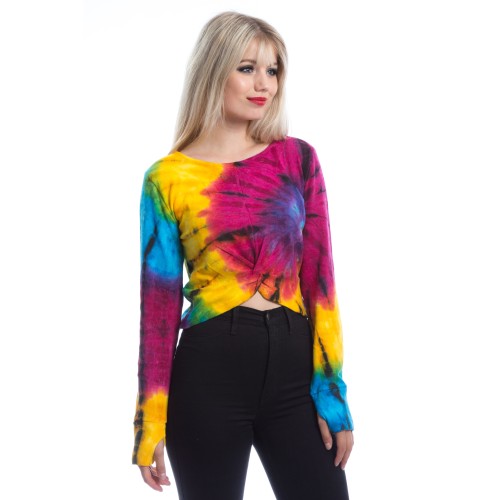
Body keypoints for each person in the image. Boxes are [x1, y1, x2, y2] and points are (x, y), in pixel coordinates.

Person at [132, 11, 354, 500]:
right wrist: (150, 420)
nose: (264, 84)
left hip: (294, 373)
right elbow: (159, 311)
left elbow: (321, 283)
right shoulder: (167, 178)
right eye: (247, 68)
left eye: (272, 70)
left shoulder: (297, 159)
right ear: (215, 70)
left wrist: (332, 393)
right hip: (208, 376)